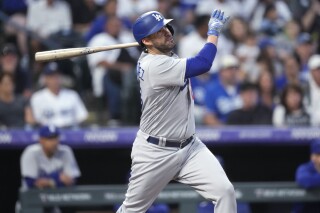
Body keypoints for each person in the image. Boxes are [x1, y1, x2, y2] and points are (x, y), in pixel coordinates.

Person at [116, 9, 236, 213]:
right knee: (131, 210)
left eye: (165, 27)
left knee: (225, 191)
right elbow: (203, 64)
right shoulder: (154, 65)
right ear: (146, 41)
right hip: (155, 152)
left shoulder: (164, 55)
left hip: (190, 147)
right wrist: (213, 33)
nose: (166, 31)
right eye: (159, 31)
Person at [19, 125, 81, 213]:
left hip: (53, 204)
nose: (54, 142)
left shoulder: (65, 152)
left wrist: (46, 182)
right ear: (41, 140)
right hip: (31, 203)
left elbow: (72, 181)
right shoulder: (31, 153)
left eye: (56, 138)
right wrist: (57, 178)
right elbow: (30, 183)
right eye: (50, 139)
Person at [30, 62, 88, 128]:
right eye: (52, 77)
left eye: (57, 76)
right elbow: (35, 122)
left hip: (70, 132)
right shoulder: (37, 97)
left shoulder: (72, 95)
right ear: (45, 79)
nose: (55, 80)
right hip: (49, 134)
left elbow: (82, 118)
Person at [204, 54, 242, 126]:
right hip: (223, 131)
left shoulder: (243, 87)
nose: (233, 72)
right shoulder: (212, 90)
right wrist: (227, 131)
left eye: (235, 69)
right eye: (229, 69)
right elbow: (209, 118)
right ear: (221, 71)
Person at [294, 139, 320, 213]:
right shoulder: (304, 168)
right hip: (304, 209)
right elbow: (306, 181)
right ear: (312, 157)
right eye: (318, 155)